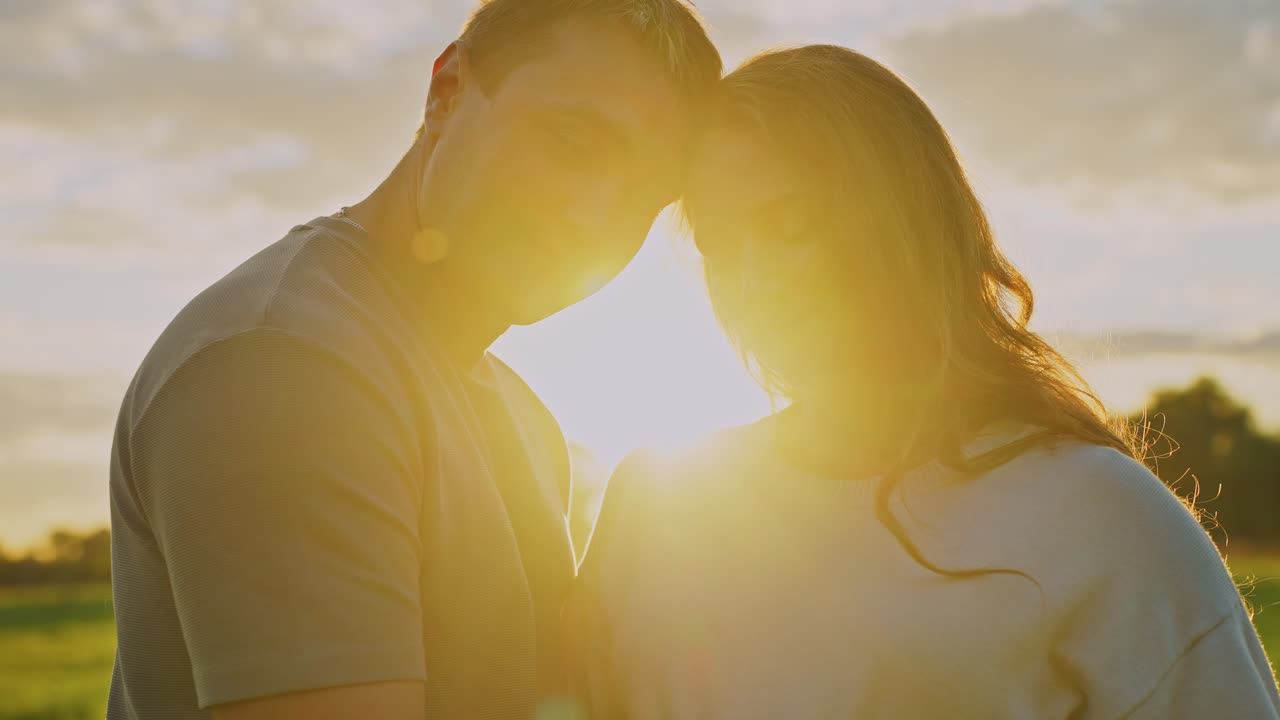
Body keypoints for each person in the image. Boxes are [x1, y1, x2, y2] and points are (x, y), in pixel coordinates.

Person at [571, 45, 1280, 718]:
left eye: (790, 224)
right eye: (722, 243)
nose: (752, 275)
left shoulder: (1106, 521)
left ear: (903, 221)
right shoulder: (656, 509)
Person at [105, 2, 720, 718]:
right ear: (447, 92)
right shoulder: (285, 365)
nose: (596, 216)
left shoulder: (521, 415)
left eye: (646, 195)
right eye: (573, 141)